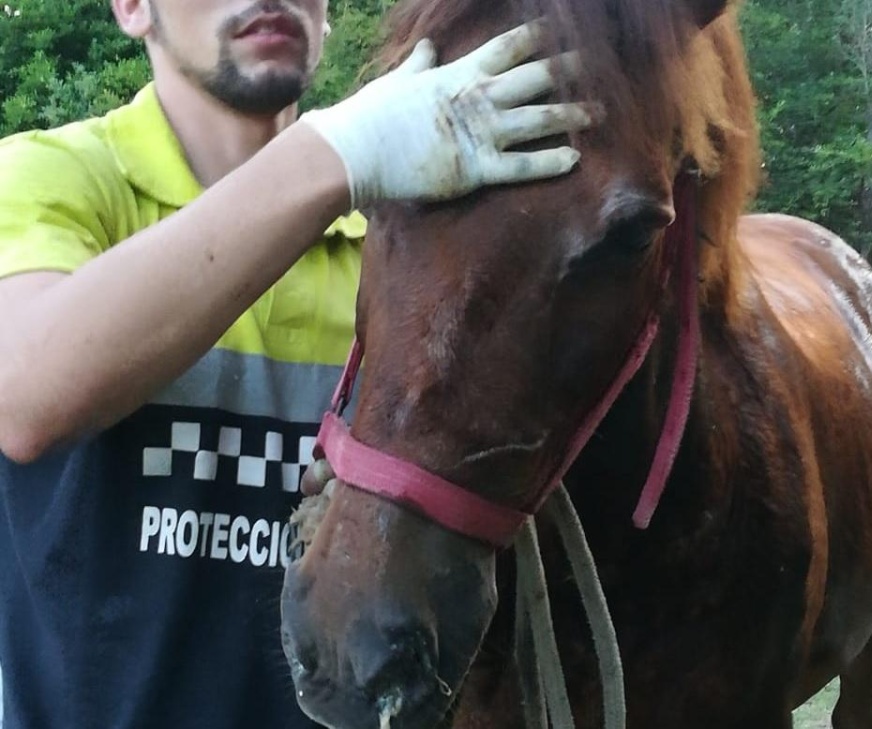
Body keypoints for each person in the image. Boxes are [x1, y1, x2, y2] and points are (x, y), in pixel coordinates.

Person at [0, 0, 590, 727]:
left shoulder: (405, 256)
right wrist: (338, 155)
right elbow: (21, 393)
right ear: (130, 8)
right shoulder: (45, 176)